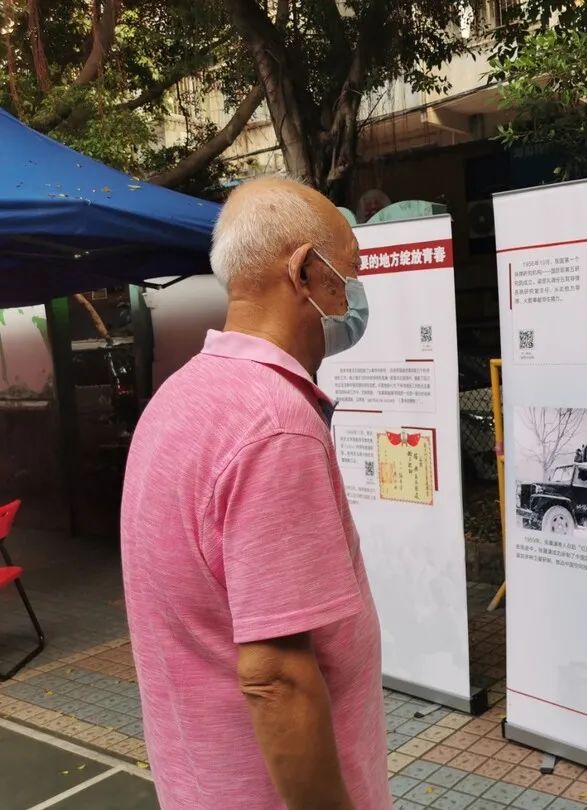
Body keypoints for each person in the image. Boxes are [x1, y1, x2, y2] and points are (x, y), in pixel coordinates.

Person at [120, 177, 389, 810]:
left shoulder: (180, 395)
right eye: (351, 269)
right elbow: (277, 680)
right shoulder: (275, 426)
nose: (356, 289)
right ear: (305, 272)